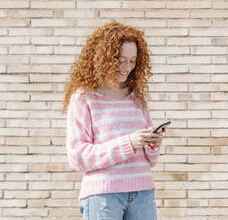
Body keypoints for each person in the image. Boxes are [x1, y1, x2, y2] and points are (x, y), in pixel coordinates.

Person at [61, 20, 165, 220]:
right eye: (120, 59)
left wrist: (152, 144)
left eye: (132, 61)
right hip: (103, 195)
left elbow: (150, 160)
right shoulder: (85, 97)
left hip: (143, 193)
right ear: (105, 58)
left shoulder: (137, 97)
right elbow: (77, 156)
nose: (127, 67)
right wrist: (128, 143)